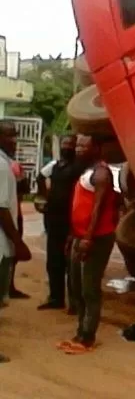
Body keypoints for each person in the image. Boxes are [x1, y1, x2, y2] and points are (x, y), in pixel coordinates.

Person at [58, 134, 119, 354]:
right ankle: (80, 330)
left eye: (84, 146)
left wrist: (87, 238)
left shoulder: (101, 174)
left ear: (97, 148)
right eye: (78, 146)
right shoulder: (86, 171)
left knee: (89, 288)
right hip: (79, 236)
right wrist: (73, 236)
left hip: (95, 238)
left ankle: (87, 336)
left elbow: (98, 209)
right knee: (76, 286)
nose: (78, 150)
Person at [37, 135, 84, 312]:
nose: (67, 147)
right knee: (53, 261)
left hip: (71, 221)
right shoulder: (55, 166)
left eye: (70, 145)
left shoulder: (79, 168)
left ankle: (75, 303)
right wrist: (44, 197)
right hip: (53, 220)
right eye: (64, 144)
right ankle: (55, 298)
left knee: (71, 264)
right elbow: (40, 177)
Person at [0, 120, 30, 363]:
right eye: (9, 136)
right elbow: (1, 209)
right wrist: (18, 242)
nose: (14, 141)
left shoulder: (7, 164)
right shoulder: (0, 166)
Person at [8, 158, 32, 299]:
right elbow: (25, 189)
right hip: (13, 213)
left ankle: (9, 285)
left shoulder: (13, 165)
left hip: (14, 212)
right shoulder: (14, 166)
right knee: (12, 250)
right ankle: (8, 286)